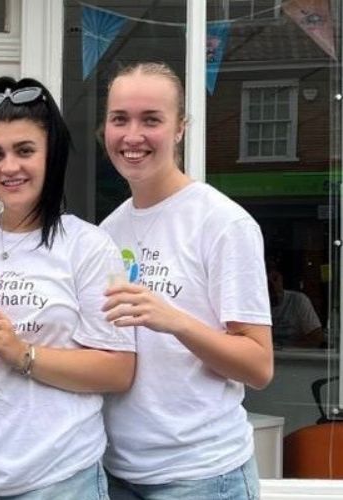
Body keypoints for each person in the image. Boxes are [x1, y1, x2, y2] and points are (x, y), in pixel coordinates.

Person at [0, 76, 136, 499]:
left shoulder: (89, 246)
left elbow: (118, 370)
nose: (9, 167)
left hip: (57, 476)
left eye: (24, 151)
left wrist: (20, 352)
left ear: (51, 153)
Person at [99, 62, 273, 499]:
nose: (132, 136)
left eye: (151, 120)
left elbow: (258, 366)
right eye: (120, 119)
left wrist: (175, 321)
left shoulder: (223, 223)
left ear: (180, 129)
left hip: (202, 477)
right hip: (118, 472)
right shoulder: (106, 232)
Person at [268, 262, 323, 348]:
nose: (273, 285)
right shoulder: (255, 304)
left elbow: (316, 338)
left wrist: (286, 347)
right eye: (267, 282)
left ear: (282, 279)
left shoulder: (298, 300)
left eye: (275, 279)